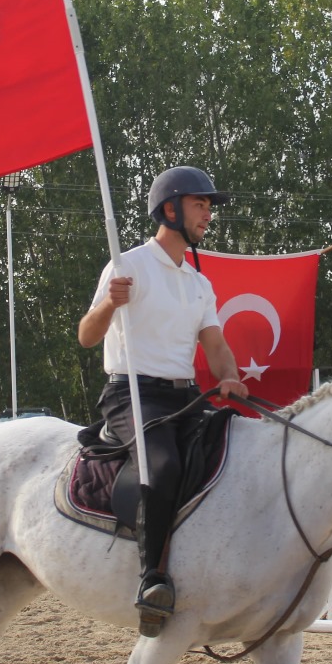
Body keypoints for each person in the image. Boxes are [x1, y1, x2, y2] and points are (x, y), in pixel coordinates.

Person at [78, 166, 248, 637]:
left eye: (209, 206)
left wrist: (230, 377)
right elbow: (87, 336)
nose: (208, 214)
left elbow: (214, 346)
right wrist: (110, 304)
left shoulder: (199, 283)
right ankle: (152, 581)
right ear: (170, 209)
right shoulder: (126, 265)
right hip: (131, 391)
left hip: (184, 394)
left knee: (233, 447)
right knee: (163, 464)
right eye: (201, 204)